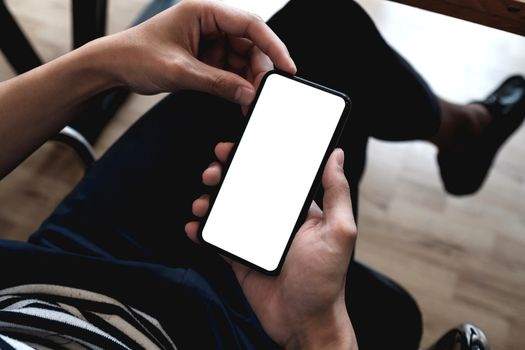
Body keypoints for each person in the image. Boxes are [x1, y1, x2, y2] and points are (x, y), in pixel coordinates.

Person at [0, 0, 523, 349]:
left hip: (55, 277)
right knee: (393, 316)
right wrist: (320, 331)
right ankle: (465, 133)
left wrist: (103, 63)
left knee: (319, 27)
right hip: (215, 335)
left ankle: (463, 132)